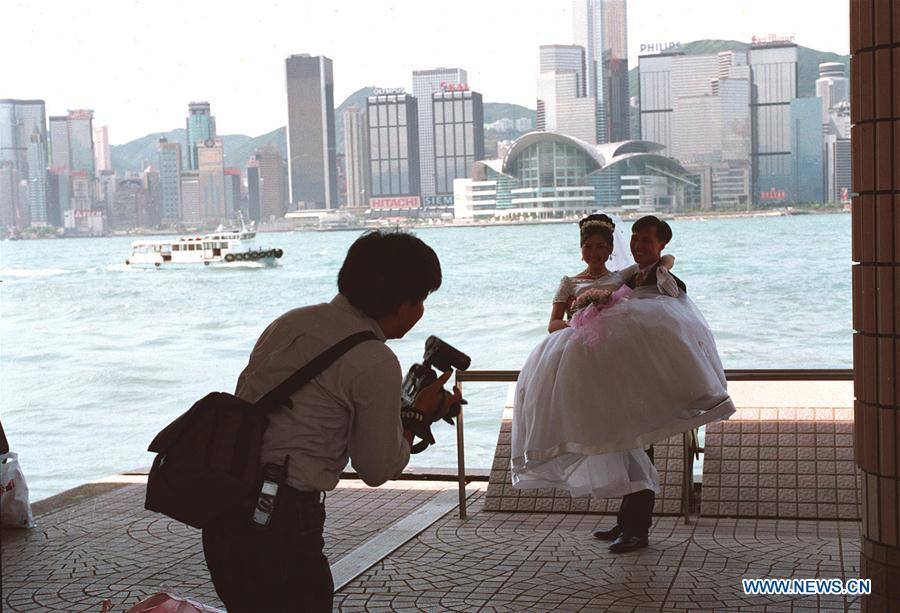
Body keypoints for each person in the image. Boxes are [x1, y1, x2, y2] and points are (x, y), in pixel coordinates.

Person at [202, 231, 462, 612]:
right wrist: (416, 415)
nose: (421, 312)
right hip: (281, 524)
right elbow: (376, 467)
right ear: (399, 301)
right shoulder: (374, 359)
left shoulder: (289, 322)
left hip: (226, 512)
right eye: (420, 299)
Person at [511, 214, 734, 553]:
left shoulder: (653, 277)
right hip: (607, 375)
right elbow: (564, 319)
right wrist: (584, 315)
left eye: (646, 240)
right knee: (624, 441)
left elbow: (670, 315)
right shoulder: (622, 277)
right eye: (635, 238)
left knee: (639, 442)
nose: (638, 245)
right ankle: (626, 521)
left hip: (637, 377)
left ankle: (637, 529)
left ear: (660, 245)